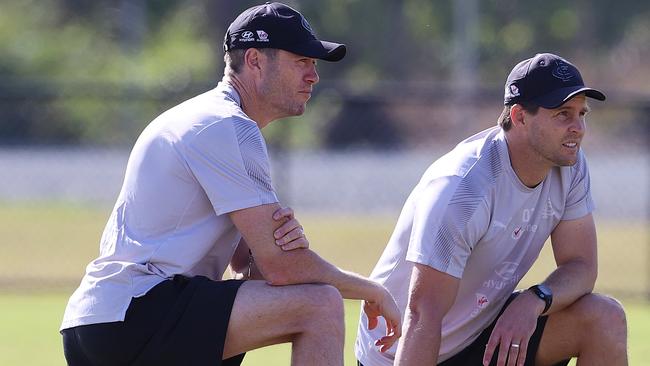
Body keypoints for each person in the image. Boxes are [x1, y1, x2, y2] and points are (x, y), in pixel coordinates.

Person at [60, 3, 401, 366]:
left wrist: (269, 251)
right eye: (302, 60)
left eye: (314, 63)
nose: (313, 75)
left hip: (103, 321)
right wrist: (372, 289)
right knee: (321, 305)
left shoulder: (209, 118)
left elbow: (249, 267)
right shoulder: (227, 125)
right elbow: (283, 269)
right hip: (137, 312)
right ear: (254, 60)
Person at [356, 53, 628, 366]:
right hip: (405, 350)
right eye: (563, 114)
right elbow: (422, 315)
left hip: (482, 335)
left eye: (582, 113)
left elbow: (581, 267)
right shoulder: (464, 188)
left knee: (604, 319)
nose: (578, 128)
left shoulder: (570, 164)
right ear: (520, 116)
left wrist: (534, 299)